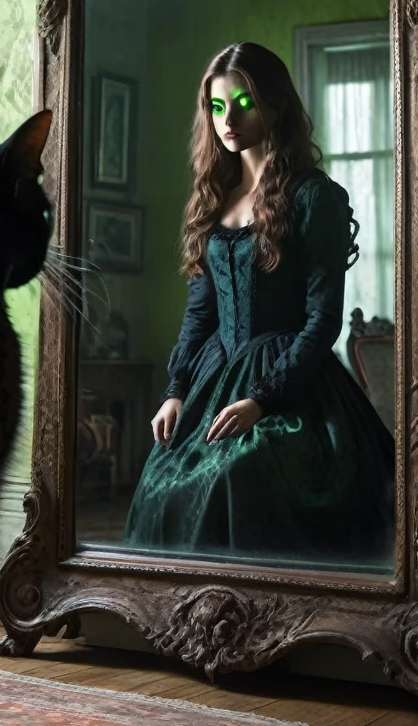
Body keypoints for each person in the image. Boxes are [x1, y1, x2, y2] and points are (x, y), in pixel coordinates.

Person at [125, 42, 395, 567]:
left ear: (275, 105)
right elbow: (201, 315)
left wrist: (262, 400)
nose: (229, 120)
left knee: (237, 475)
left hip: (292, 382)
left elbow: (322, 321)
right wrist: (176, 391)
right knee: (163, 478)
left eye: (244, 104)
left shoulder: (315, 196)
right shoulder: (212, 197)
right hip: (215, 373)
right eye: (218, 107)